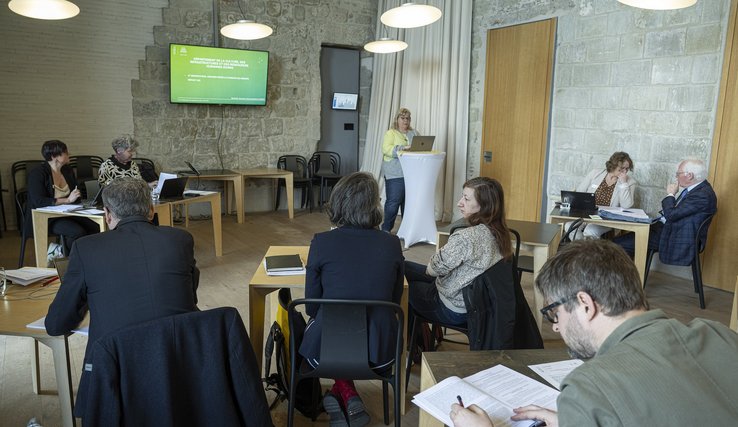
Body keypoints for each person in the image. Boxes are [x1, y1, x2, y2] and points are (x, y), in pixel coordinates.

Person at [449, 240, 738, 427]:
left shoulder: (588, 388)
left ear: (585, 305)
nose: (555, 327)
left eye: (554, 313)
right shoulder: (718, 333)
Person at [45, 177, 200, 417]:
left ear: (107, 214)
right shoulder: (180, 240)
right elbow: (191, 298)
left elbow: (56, 325)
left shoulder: (86, 248)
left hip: (117, 377)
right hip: (181, 367)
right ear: (150, 209)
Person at [299, 172, 404, 427]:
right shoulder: (391, 244)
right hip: (381, 353)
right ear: (374, 205)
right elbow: (394, 301)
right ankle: (344, 393)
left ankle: (340, 390)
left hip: (325, 354)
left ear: (338, 203)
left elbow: (312, 307)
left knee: (308, 323)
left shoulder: (322, 242)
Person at [405, 177, 512, 326]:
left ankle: (411, 342)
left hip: (453, 308)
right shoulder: (501, 233)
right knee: (403, 267)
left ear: (485, 205)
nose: (459, 202)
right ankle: (418, 340)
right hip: (476, 305)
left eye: (466, 199)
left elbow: (433, 269)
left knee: (402, 287)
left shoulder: (466, 237)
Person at [614, 158, 717, 265]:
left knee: (616, 245)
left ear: (689, 175)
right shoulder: (697, 189)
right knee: (625, 237)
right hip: (665, 228)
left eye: (678, 173)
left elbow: (671, 215)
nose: (676, 177)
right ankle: (632, 276)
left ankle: (619, 278)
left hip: (675, 236)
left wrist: (671, 194)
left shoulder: (702, 195)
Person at [26, 139, 99, 256]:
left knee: (96, 227)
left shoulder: (67, 170)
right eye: (65, 152)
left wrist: (76, 197)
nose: (69, 154)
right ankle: (62, 255)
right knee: (77, 232)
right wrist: (68, 200)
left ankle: (81, 258)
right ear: (55, 156)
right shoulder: (37, 173)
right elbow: (39, 201)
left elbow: (75, 196)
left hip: (69, 213)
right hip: (47, 218)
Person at [572, 151, 638, 239]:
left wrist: (623, 184)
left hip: (607, 219)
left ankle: (586, 250)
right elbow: (579, 192)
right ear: (614, 165)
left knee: (590, 230)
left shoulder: (630, 182)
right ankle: (580, 249)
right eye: (622, 168)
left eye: (627, 169)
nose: (625, 172)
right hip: (587, 214)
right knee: (570, 227)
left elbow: (626, 206)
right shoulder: (595, 173)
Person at [381, 107, 417, 232]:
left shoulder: (414, 133)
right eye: (402, 118)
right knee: (394, 202)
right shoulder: (391, 133)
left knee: (408, 203)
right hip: (395, 172)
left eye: (407, 118)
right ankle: (386, 229)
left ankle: (406, 230)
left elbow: (419, 147)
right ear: (397, 119)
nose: (405, 121)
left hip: (411, 173)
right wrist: (404, 147)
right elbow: (386, 149)